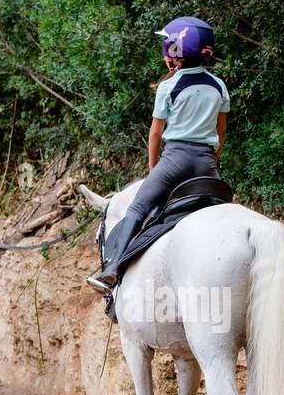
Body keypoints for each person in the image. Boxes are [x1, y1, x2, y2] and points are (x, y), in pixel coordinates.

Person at [86, 16, 229, 294]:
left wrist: (154, 169)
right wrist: (213, 160)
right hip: (205, 162)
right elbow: (221, 132)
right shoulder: (219, 86)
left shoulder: (168, 87)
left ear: (175, 51)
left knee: (137, 208)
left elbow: (154, 134)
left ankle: (112, 269)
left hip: (174, 160)